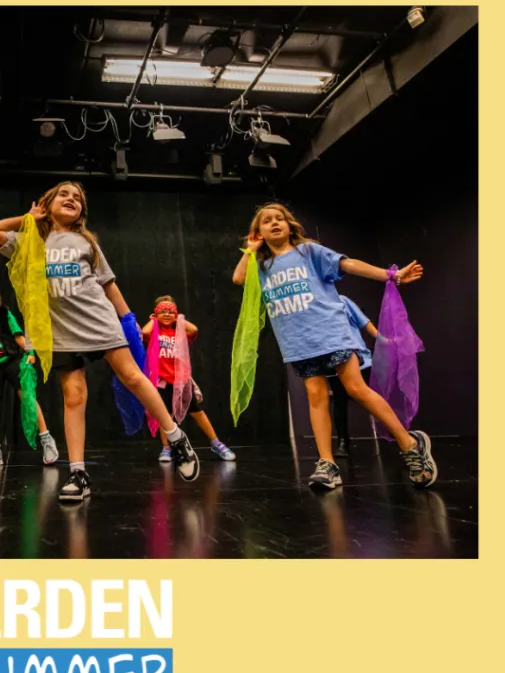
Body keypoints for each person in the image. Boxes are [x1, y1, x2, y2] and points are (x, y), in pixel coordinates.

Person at [0, 182, 199, 502]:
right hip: (61, 331)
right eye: (64, 195)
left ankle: (176, 438)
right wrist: (26, 219)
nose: (71, 199)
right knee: (73, 395)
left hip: (99, 321)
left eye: (77, 198)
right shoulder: (28, 240)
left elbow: (108, 285)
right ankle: (78, 473)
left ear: (82, 211)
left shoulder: (86, 241)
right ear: (47, 203)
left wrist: (129, 320)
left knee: (133, 377)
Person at [232, 203, 437, 491]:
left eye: (280, 218)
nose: (274, 223)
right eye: (267, 221)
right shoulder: (261, 265)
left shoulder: (308, 252)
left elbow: (348, 264)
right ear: (258, 232)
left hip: (330, 332)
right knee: (316, 396)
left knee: (355, 388)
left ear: (290, 226)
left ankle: (410, 444)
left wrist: (390, 275)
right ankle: (327, 464)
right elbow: (239, 279)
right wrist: (251, 251)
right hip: (297, 341)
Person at [142, 295, 235, 463]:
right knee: (164, 415)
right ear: (155, 314)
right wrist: (154, 320)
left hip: (181, 382)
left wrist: (179, 319)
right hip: (162, 382)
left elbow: (194, 330)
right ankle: (166, 448)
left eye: (171, 311)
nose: (167, 314)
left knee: (197, 412)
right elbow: (144, 332)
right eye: (162, 311)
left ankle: (216, 443)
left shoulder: (180, 333)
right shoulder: (155, 333)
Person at [0, 295, 59, 464]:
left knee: (28, 398)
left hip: (11, 360)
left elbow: (19, 337)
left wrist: (31, 352)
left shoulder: (4, 314)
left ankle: (46, 439)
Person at [328, 296, 377, 458]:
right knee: (339, 402)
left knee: (374, 397)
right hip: (334, 363)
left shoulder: (341, 300)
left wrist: (383, 340)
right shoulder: (312, 305)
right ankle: (343, 442)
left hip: (360, 359)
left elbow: (364, 322)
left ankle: (399, 434)